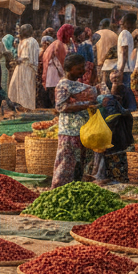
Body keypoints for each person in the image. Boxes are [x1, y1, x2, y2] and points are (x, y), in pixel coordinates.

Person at [51, 54, 96, 188]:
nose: (82, 71)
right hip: (69, 131)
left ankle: (77, 188)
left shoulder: (77, 84)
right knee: (66, 163)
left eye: (83, 67)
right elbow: (60, 107)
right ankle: (58, 190)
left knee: (80, 163)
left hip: (81, 130)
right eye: (78, 68)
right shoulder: (63, 85)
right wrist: (86, 106)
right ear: (69, 69)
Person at [94, 67, 135, 184]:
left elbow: (131, 108)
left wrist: (120, 109)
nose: (115, 76)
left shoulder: (126, 91)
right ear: (108, 75)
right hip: (107, 129)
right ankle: (105, 177)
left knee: (115, 152)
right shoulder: (102, 90)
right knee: (106, 153)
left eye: (118, 73)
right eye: (112, 73)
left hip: (117, 129)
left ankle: (116, 178)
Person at [8, 24, 40, 111]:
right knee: (17, 88)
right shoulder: (22, 41)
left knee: (26, 88)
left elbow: (28, 57)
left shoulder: (31, 41)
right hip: (21, 67)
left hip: (27, 68)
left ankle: (27, 108)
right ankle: (19, 108)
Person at [41, 23, 73, 108]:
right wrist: (63, 72)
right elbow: (57, 60)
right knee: (55, 90)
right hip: (55, 72)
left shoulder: (56, 43)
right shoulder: (58, 44)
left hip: (51, 71)